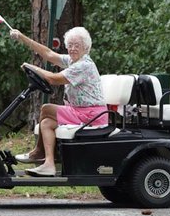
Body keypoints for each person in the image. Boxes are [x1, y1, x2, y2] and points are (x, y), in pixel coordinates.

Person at [10, 27, 108, 177]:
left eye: (77, 45)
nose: (73, 49)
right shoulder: (72, 61)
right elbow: (48, 54)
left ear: (86, 48)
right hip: (79, 111)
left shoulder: (84, 65)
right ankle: (49, 163)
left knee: (46, 108)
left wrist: (33, 68)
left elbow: (53, 79)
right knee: (46, 123)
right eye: (70, 45)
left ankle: (38, 152)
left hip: (91, 115)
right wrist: (22, 37)